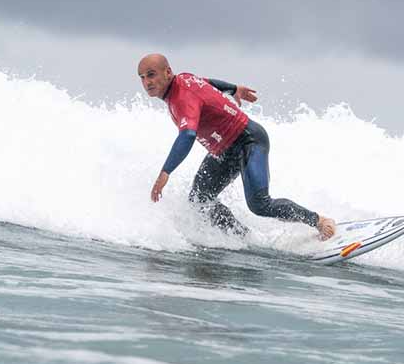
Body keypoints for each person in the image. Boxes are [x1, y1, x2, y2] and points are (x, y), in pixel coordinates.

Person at [137, 53, 336, 240]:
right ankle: (243, 238)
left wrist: (166, 172)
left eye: (151, 75)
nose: (147, 82)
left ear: (168, 72)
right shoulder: (184, 79)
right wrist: (234, 89)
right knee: (200, 201)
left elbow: (188, 135)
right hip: (223, 151)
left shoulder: (182, 98)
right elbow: (208, 83)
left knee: (259, 204)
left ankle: (319, 221)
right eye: (143, 77)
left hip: (248, 141)